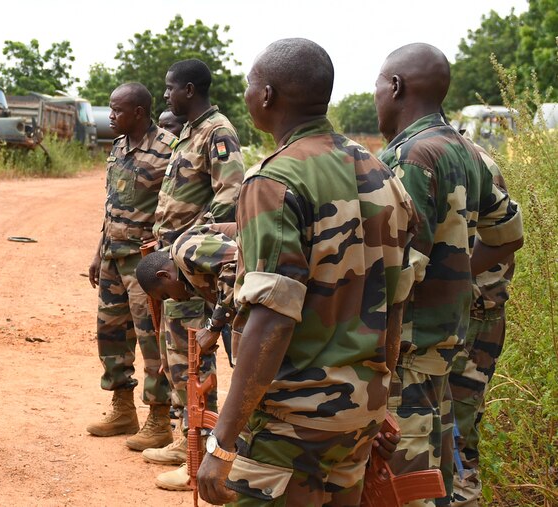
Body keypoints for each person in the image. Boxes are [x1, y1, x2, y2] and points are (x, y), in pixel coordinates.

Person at [197, 38, 417, 506]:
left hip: (291, 426)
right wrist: (380, 398)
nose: (247, 94)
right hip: (359, 418)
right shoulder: (381, 172)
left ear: (268, 95)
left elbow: (272, 317)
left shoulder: (274, 180)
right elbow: (394, 302)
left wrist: (223, 439)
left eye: (251, 85)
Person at [374, 43, 523, 505]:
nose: (376, 97)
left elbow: (398, 272)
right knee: (438, 472)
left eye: (379, 86)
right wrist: (456, 273)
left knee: (406, 480)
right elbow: (508, 234)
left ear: (396, 87)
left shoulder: (410, 157)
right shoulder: (465, 150)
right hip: (445, 338)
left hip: (409, 346)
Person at [144, 58, 245, 491]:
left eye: (169, 89)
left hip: (195, 265)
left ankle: (201, 450)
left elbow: (231, 192)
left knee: (192, 355)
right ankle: (185, 433)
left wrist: (188, 240)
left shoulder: (217, 131)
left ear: (189, 89)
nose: (165, 95)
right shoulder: (189, 130)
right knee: (175, 354)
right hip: (177, 260)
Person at [86, 83, 175, 452]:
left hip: (144, 262)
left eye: (117, 110)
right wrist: (97, 251)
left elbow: (176, 208)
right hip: (111, 257)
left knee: (151, 339)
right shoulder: (118, 146)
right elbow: (112, 206)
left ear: (138, 112)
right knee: (110, 335)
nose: (111, 116)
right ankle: (122, 408)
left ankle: (159, 419)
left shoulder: (168, 149)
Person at [449, 144, 520, 507]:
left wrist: (442, 282)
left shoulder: (434, 159)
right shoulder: (474, 156)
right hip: (477, 312)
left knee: (455, 444)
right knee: (458, 434)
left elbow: (508, 239)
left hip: (468, 315)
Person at [136, 222, 237, 358]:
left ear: (164, 275)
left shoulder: (183, 249)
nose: (176, 300)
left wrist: (213, 328)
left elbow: (235, 264)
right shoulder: (190, 280)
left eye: (166, 295)